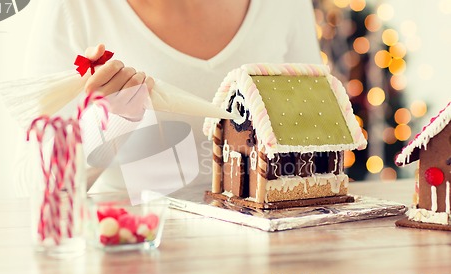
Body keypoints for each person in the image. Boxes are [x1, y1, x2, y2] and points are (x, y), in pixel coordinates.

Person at [16, 0, 322, 196]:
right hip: (133, 250)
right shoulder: (74, 8)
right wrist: (106, 126)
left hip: (265, 254)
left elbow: (315, 133)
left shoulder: (285, 6)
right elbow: (36, 184)